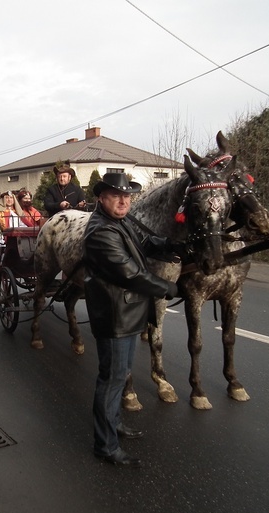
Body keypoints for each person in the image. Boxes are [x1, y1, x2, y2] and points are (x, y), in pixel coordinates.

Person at [83, 172, 178, 467]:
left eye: (127, 196)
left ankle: (114, 424)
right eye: (116, 196)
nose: (124, 201)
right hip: (115, 318)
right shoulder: (101, 232)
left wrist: (173, 246)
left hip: (125, 314)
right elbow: (131, 274)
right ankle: (106, 446)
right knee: (111, 380)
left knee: (119, 374)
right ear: (102, 198)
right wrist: (170, 288)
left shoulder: (120, 222)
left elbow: (145, 243)